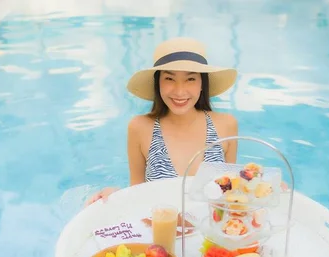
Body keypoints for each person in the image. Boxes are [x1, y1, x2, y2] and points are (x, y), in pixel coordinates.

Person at [85, 37, 239, 206]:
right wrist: (115, 195)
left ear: (202, 83)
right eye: (169, 79)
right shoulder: (140, 127)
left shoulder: (226, 125)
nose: (180, 91)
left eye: (190, 79)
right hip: (160, 228)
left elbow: (230, 194)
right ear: (157, 82)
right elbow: (137, 193)